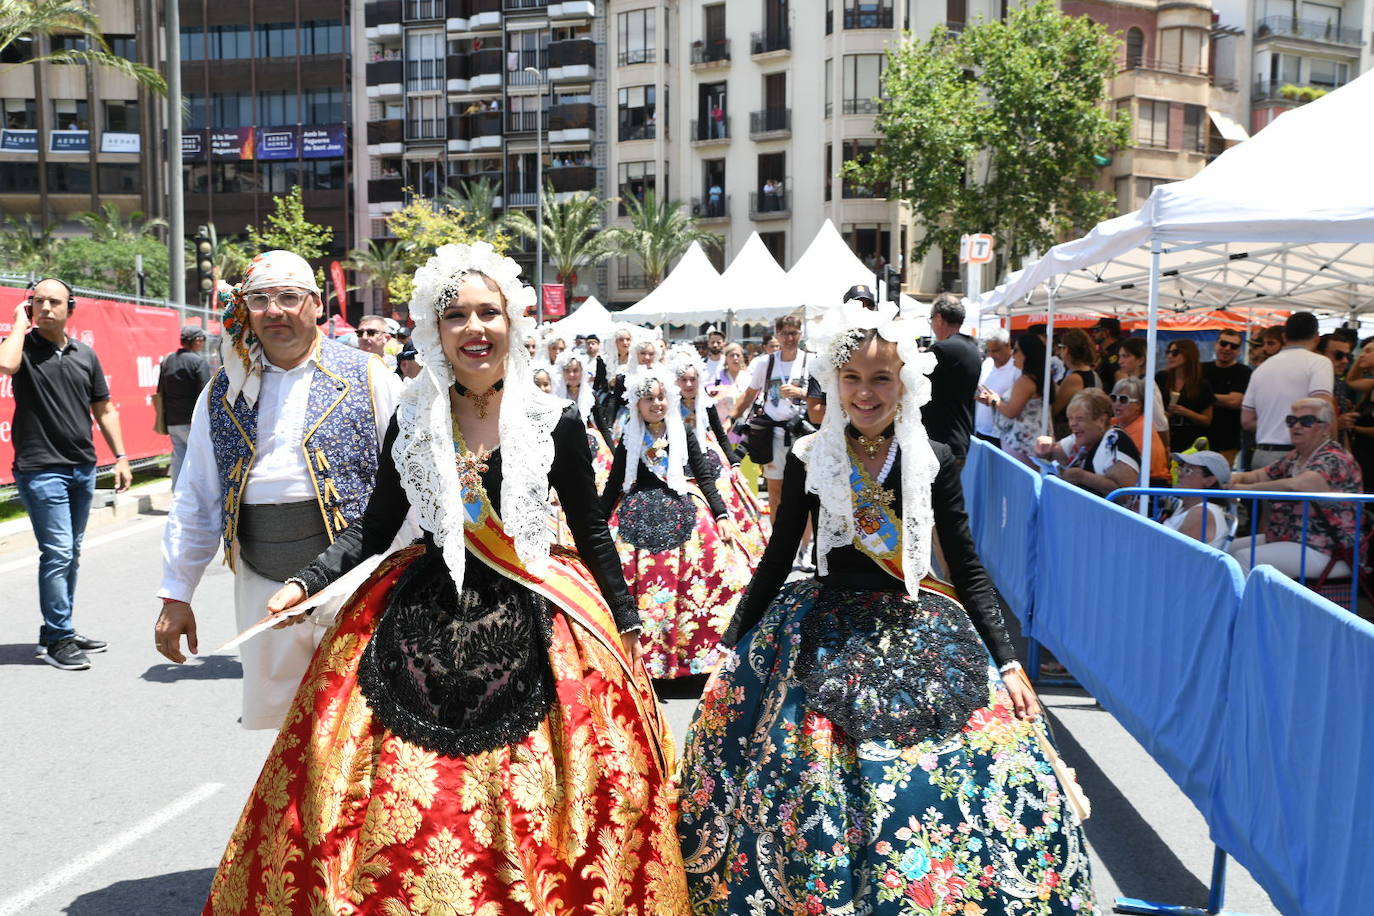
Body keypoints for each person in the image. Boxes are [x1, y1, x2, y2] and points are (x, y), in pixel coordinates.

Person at [200, 242, 687, 913]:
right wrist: (304, 585)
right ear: (435, 330)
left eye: (489, 312)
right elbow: (373, 530)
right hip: (422, 609)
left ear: (512, 324)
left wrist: (626, 620)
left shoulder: (556, 423)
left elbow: (593, 529)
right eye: (456, 315)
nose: (474, 328)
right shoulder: (414, 415)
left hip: (535, 606)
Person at [677, 300, 1095, 914]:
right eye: (852, 378)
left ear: (906, 382)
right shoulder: (809, 456)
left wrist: (1007, 665)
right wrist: (729, 644)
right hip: (822, 626)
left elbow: (968, 568)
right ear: (833, 380)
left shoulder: (934, 458)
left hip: (917, 618)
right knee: (808, 776)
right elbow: (775, 559)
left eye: (882, 377)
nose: (866, 392)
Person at [154, 252, 402, 729]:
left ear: (315, 304)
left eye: (289, 297)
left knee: (364, 720)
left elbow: (407, 485)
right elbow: (198, 496)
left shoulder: (369, 376)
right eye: (260, 300)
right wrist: (176, 594)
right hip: (261, 583)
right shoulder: (223, 389)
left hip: (356, 581)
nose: (275, 311)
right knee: (289, 727)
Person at [0, 277, 129, 670]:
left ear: (70, 308)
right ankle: (58, 638)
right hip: (41, 469)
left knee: (69, 554)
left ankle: (60, 629)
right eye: (37, 302)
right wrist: (19, 325)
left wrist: (120, 456)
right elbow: (5, 364)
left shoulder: (84, 355)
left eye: (54, 302)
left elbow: (103, 409)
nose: (45, 308)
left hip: (82, 468)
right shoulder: (24, 350)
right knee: (57, 553)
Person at [601, 366, 747, 685]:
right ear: (636, 405)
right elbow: (614, 484)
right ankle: (642, 657)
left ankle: (694, 657)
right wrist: (593, 527)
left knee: (714, 571)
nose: (657, 404)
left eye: (662, 397)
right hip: (636, 514)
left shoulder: (683, 433)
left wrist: (721, 515)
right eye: (648, 398)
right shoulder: (630, 439)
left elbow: (704, 476)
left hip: (683, 507)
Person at [1229, 398, 1362, 578]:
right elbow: (1261, 474)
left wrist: (1241, 489)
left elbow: (1299, 486)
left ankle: (1243, 606)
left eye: (1306, 421)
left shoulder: (1334, 457)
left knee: (1244, 558)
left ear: (1325, 428)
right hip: (1291, 537)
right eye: (1292, 420)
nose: (1296, 426)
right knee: (1226, 548)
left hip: (1327, 547)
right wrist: (1228, 478)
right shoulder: (1296, 456)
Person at [730, 315, 810, 516]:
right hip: (773, 434)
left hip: (803, 434)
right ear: (777, 335)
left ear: (801, 334)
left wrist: (800, 393)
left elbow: (823, 397)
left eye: (794, 333)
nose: (789, 338)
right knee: (776, 491)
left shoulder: (811, 361)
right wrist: (729, 421)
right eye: (785, 333)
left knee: (805, 491)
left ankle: (803, 545)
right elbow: (749, 395)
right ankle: (777, 542)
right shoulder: (766, 363)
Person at [1241, 311, 1334, 473]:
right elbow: (1323, 410)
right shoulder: (1319, 363)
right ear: (1317, 338)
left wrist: (1273, 423)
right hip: (1299, 455)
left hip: (1262, 453)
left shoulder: (1261, 369)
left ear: (1284, 337)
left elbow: (1247, 421)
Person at [1035, 389, 1141, 497]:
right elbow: (1054, 453)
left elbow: (1125, 495)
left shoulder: (1115, 440)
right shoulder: (1081, 437)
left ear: (1101, 421)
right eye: (1070, 419)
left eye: (1080, 419)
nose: (1072, 424)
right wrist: (1045, 448)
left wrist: (1082, 477)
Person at [922, 291, 982, 463]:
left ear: (939, 318)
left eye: (931, 320)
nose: (932, 325)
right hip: (958, 440)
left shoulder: (943, 350)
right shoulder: (972, 348)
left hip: (940, 443)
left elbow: (909, 376)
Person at [980, 333, 1051, 465]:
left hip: (1021, 444)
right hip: (1030, 441)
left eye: (1017, 350)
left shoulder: (1026, 380)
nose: (1013, 355)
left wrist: (994, 399)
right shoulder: (1038, 377)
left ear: (1027, 354)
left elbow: (1011, 411)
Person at [158, 324, 213, 486]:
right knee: (200, 460)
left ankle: (178, 496)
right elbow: (205, 395)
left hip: (172, 421)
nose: (203, 343)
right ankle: (196, 499)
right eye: (202, 339)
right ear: (196, 340)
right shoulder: (198, 363)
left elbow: (160, 391)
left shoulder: (167, 361)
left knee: (179, 457)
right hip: (192, 421)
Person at [1161, 451, 1233, 548]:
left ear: (1209, 481)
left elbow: (1177, 554)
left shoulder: (1201, 513)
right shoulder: (1183, 506)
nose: (1180, 474)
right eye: (1181, 468)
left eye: (1188, 471)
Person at [1202, 328, 1251, 465]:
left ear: (1239, 350)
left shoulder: (1244, 372)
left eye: (1233, 346)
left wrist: (1203, 397)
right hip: (1198, 436)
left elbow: (1235, 401)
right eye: (1223, 343)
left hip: (1227, 440)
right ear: (1216, 344)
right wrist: (1221, 399)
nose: (1227, 348)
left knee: (1219, 480)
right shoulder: (1201, 369)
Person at [1157, 338, 1215, 452]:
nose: (1170, 356)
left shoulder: (1201, 385)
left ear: (1188, 354)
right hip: (1163, 435)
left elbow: (1207, 420)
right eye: (1168, 352)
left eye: (1175, 353)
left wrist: (1186, 412)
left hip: (1189, 439)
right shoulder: (1161, 378)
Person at [1110, 376, 1170, 486]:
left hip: (1149, 487)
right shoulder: (1113, 423)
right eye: (1114, 398)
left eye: (1123, 399)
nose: (1117, 403)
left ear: (1139, 405)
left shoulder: (1143, 430)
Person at [1050, 328, 1103, 439]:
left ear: (1068, 350)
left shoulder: (1074, 378)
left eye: (1061, 348)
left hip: (1069, 433)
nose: (1059, 353)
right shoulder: (1089, 373)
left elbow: (1054, 408)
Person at [1118, 336, 1170, 441]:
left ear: (1141, 360)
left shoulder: (1146, 385)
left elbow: (1160, 423)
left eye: (1125, 356)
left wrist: (1165, 447)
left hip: (1148, 441)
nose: (1120, 361)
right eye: (1120, 356)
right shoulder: (1131, 383)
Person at [974, 328, 1019, 447]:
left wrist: (994, 401)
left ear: (1008, 345)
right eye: (988, 351)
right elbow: (978, 389)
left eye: (996, 350)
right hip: (982, 430)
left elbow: (1018, 404)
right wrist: (978, 397)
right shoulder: (987, 363)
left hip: (1004, 436)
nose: (991, 355)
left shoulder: (1017, 368)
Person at [1091, 316, 1125, 383]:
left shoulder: (1117, 352)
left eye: (1096, 331)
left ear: (1106, 332)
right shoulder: (1110, 351)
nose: (1093, 334)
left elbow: (1121, 378)